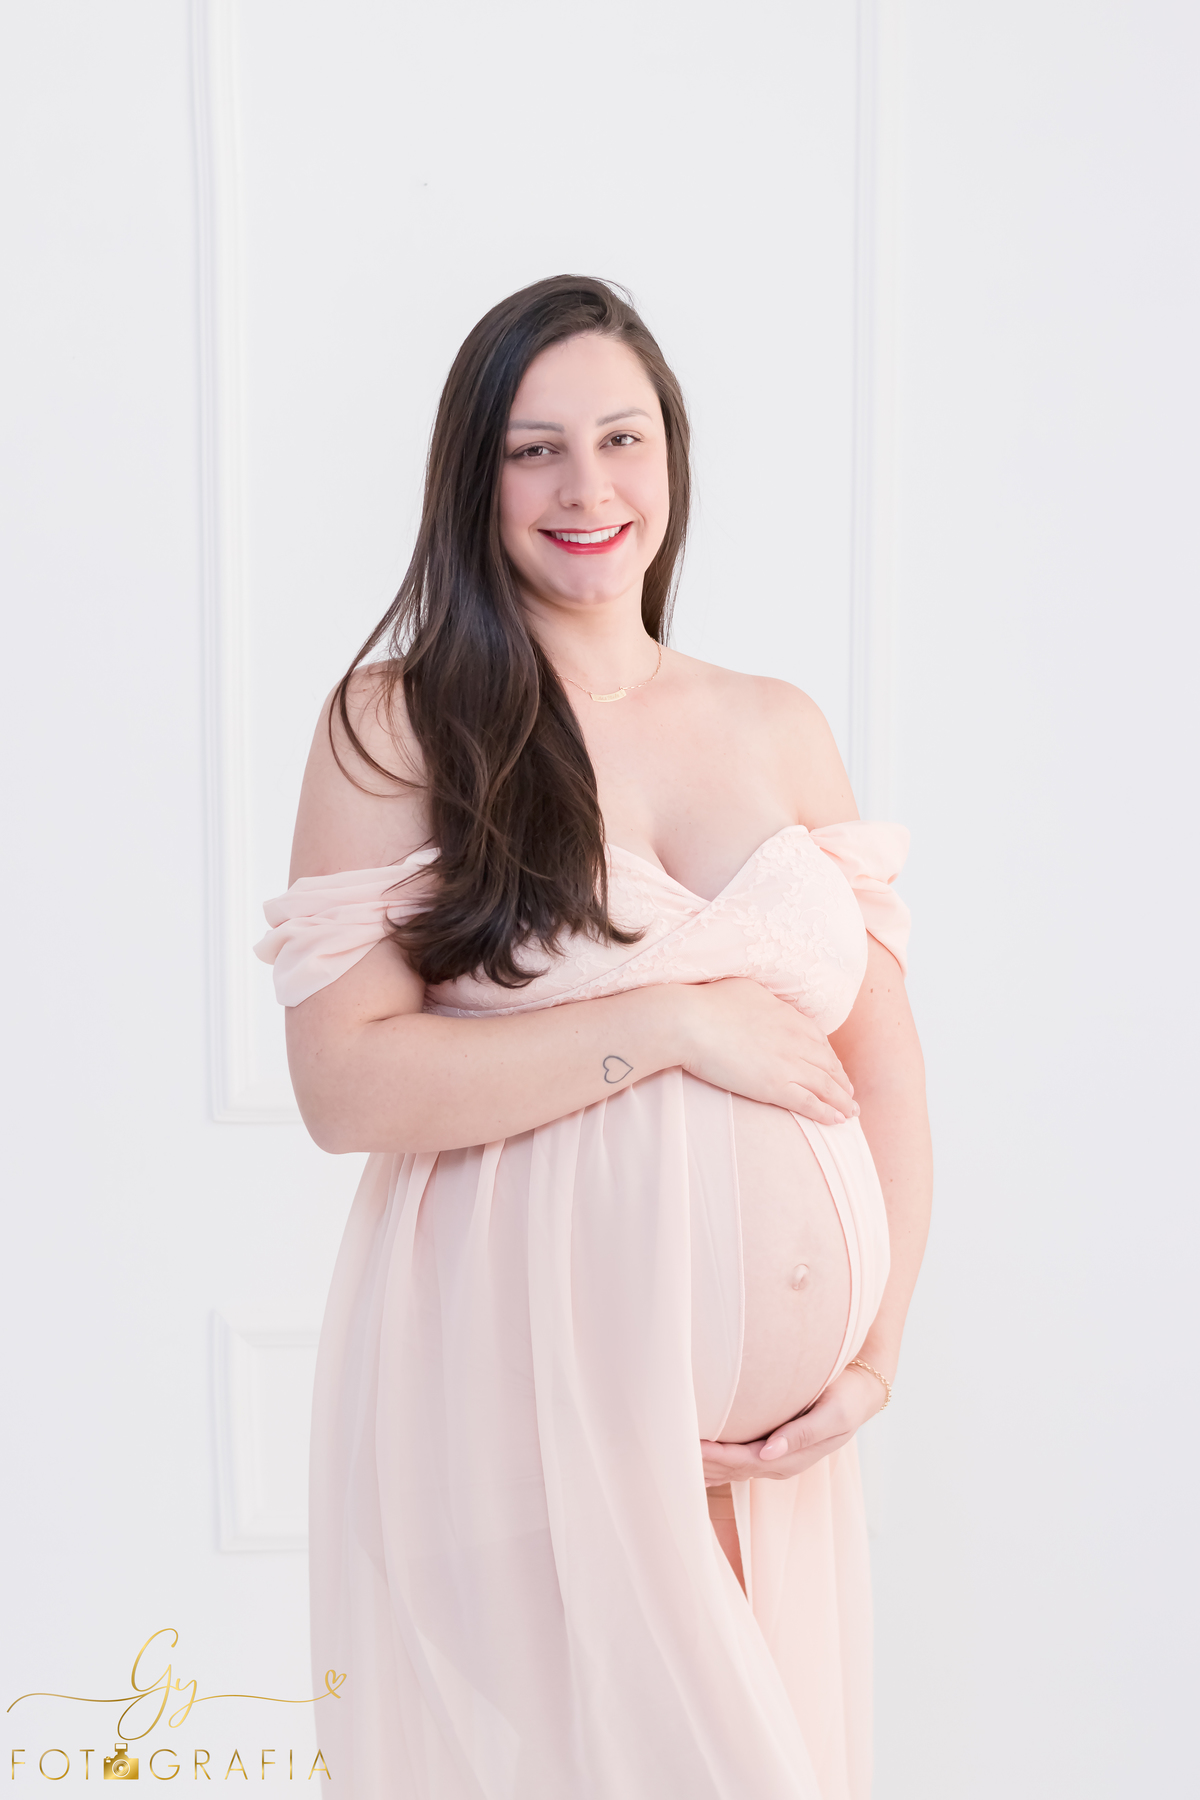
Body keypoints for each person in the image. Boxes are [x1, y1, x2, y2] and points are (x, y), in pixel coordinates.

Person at [256, 274, 932, 1800]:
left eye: (622, 438)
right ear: (471, 480)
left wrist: (872, 1362)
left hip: (776, 1458)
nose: (587, 488)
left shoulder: (778, 721)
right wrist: (672, 1025)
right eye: (532, 448)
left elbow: (888, 1073)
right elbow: (344, 1082)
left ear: (672, 457)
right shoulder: (402, 724)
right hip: (518, 1380)